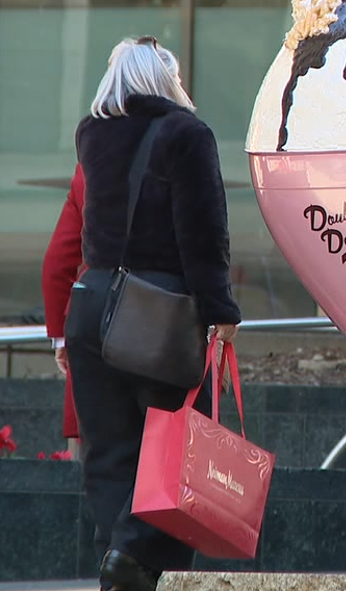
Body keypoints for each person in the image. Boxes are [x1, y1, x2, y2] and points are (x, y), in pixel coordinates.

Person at [66, 36, 241, 591]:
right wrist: (221, 309)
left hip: (90, 304)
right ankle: (135, 557)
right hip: (157, 314)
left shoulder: (92, 133)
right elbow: (202, 232)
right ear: (169, 77)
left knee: (111, 450)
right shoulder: (188, 135)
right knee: (177, 448)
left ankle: (119, 562)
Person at [41, 163, 87, 445]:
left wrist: (61, 336)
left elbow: (58, 263)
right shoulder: (185, 143)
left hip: (95, 319)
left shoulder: (93, 159)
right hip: (164, 321)